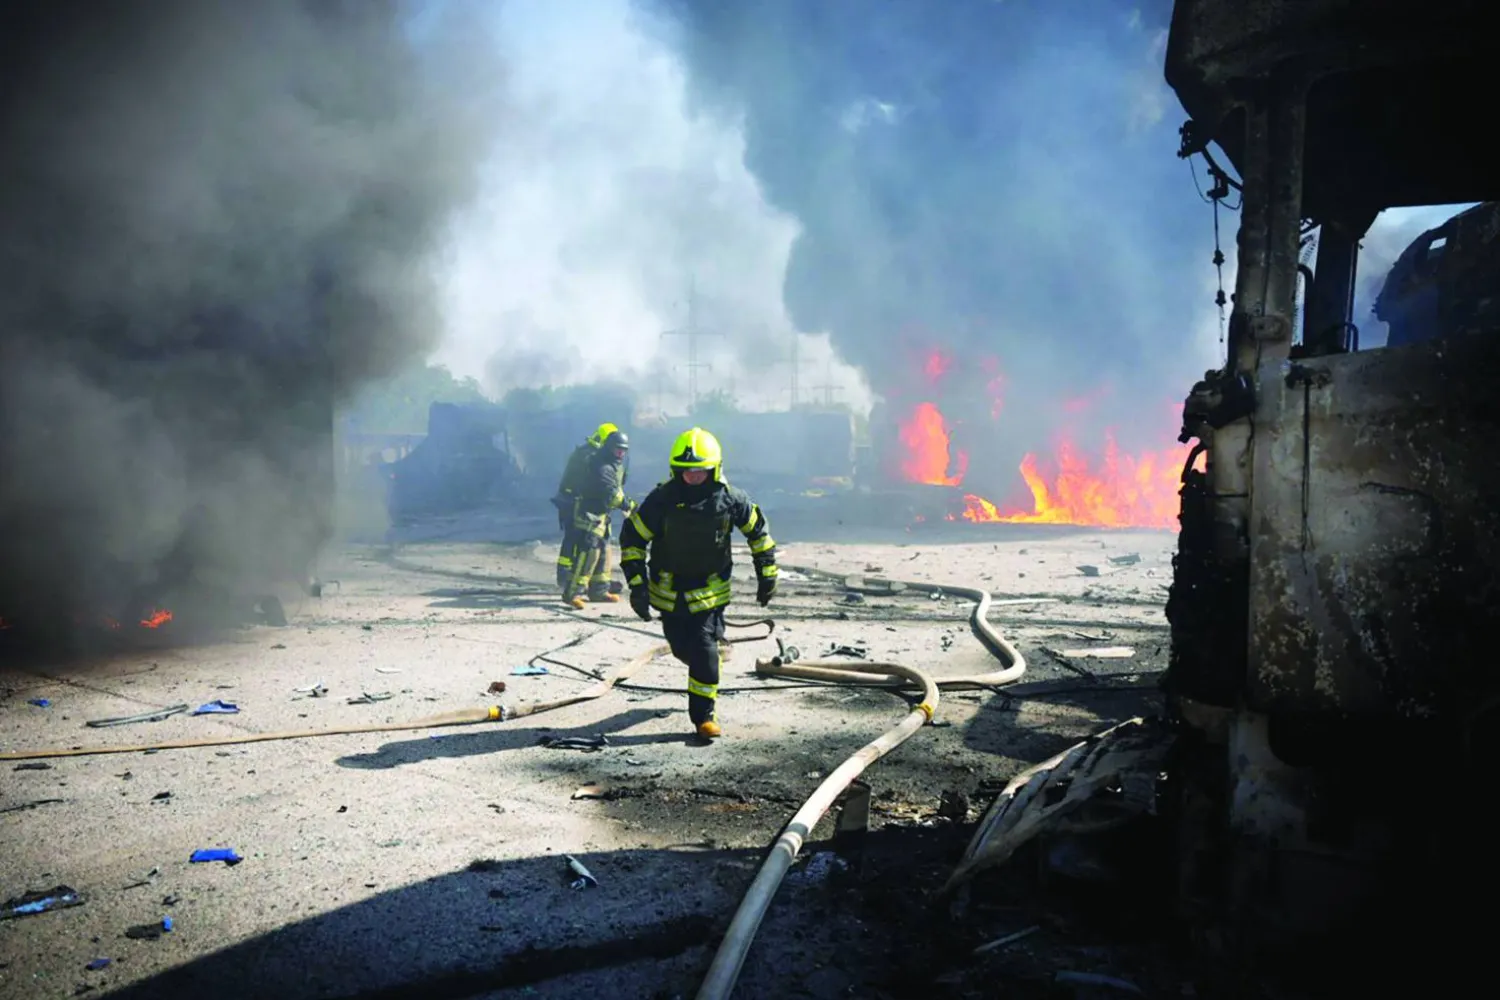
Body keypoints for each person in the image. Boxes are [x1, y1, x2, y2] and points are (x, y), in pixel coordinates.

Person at [619, 426, 777, 740]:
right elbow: (633, 539)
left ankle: (704, 717)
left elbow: (758, 534)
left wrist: (767, 574)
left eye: (700, 471)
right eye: (687, 472)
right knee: (682, 648)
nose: (693, 477)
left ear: (714, 468)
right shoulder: (661, 500)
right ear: (676, 471)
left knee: (703, 649)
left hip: (709, 592)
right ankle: (711, 659)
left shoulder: (730, 499)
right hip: (669, 594)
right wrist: (637, 585)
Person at [561, 428, 636, 609]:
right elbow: (612, 494)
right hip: (589, 513)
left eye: (623, 450)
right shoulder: (601, 465)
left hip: (602, 514)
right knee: (589, 552)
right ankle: (572, 593)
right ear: (609, 447)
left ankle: (599, 591)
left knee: (604, 550)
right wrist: (631, 506)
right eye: (618, 449)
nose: (621, 453)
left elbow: (617, 488)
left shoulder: (614, 464)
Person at [553, 422, 619, 589]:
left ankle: (597, 583)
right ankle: (568, 578)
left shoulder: (588, 454)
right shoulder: (590, 457)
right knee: (579, 541)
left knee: (593, 541)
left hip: (578, 503)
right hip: (576, 503)